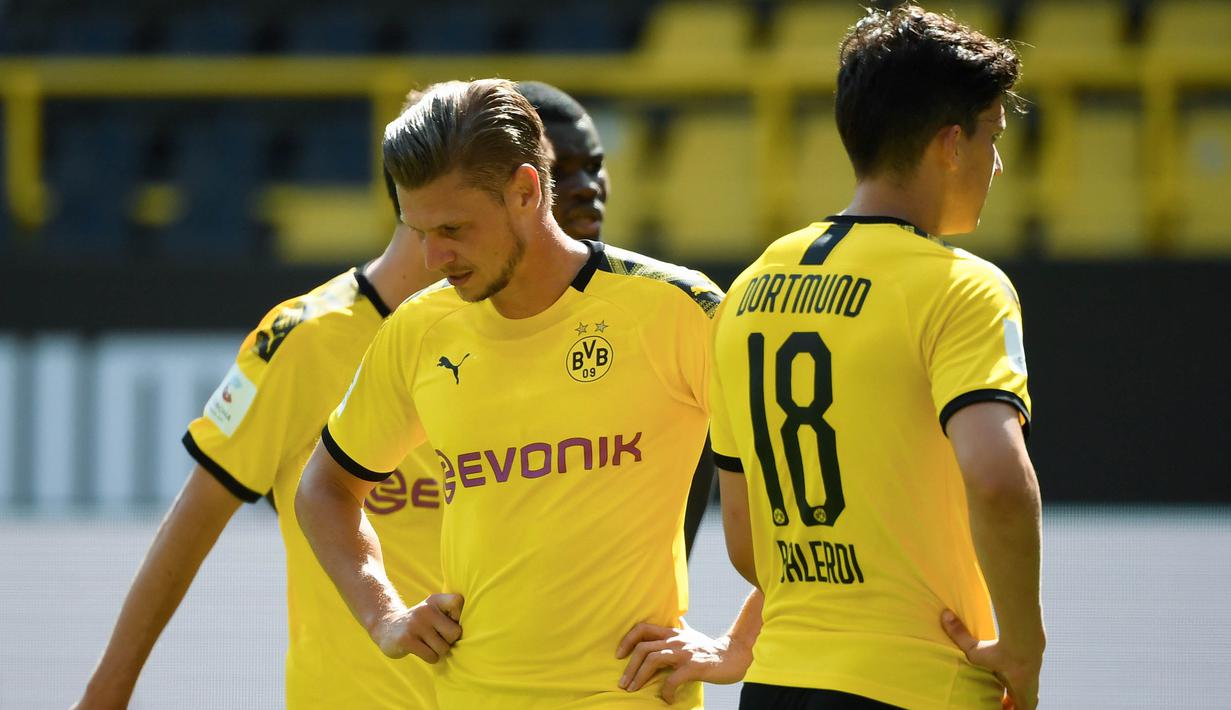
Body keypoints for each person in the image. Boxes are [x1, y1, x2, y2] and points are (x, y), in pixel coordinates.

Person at [75, 82, 618, 710]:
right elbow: (195, 518)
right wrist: (105, 693)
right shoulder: (309, 337)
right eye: (546, 178)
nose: (568, 196)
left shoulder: (528, 333)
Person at [619, 5, 1045, 709]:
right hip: (920, 683)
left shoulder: (750, 288)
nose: (996, 163)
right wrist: (1023, 651)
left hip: (778, 682)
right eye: (991, 137)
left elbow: (747, 542)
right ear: (947, 144)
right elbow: (998, 481)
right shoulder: (963, 286)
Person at [295, 78, 722, 709]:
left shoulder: (678, 309)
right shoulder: (419, 329)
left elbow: (819, 475)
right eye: (418, 231)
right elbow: (325, 488)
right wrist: (382, 614)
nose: (434, 255)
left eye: (454, 228)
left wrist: (741, 641)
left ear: (525, 191)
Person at [518, 80, 716, 556]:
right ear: (518, 185)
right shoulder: (443, 326)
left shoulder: (667, 310)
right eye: (560, 171)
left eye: (594, 166)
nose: (588, 187)